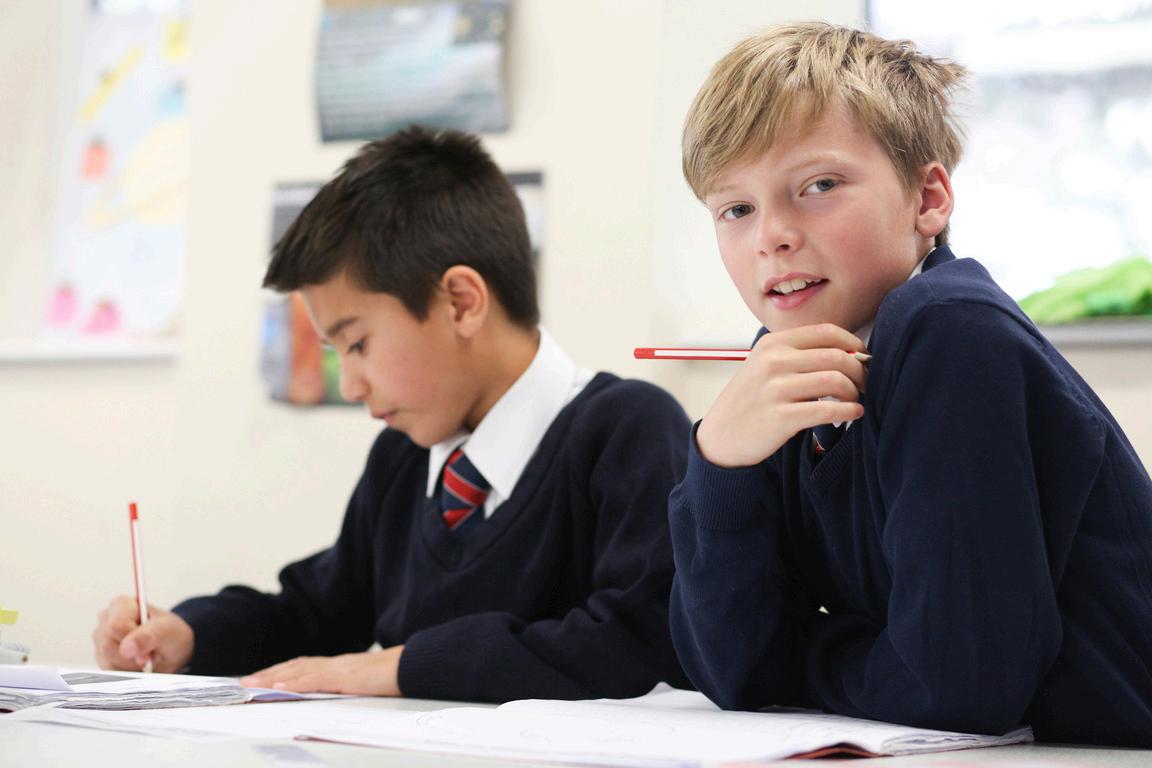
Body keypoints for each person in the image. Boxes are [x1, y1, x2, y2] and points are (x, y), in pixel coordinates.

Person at [667, 21, 1152, 746]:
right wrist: (720, 464)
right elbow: (729, 671)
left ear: (928, 199)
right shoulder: (788, 362)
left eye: (819, 186)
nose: (771, 236)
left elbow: (955, 686)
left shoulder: (948, 330)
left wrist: (800, 658)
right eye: (736, 209)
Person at [93, 126, 692, 703]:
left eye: (357, 344)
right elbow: (317, 612)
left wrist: (407, 665)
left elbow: (637, 639)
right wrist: (191, 634)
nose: (352, 385)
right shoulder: (404, 456)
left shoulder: (626, 430)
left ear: (461, 303)